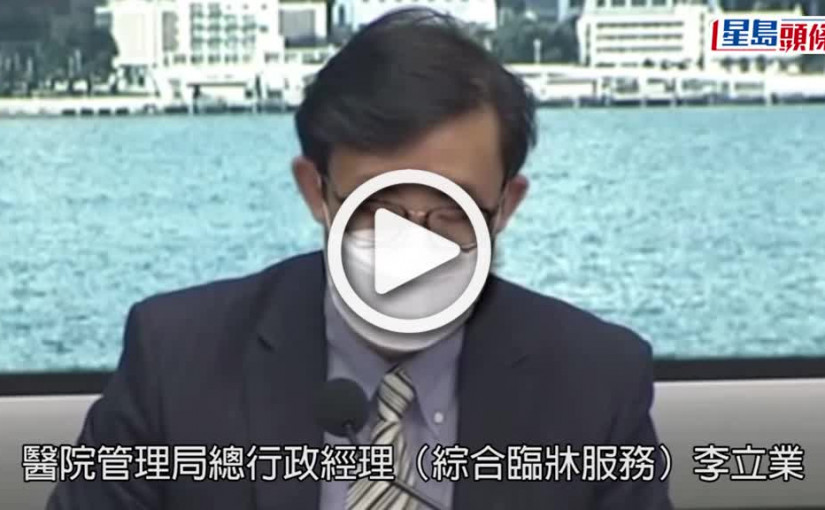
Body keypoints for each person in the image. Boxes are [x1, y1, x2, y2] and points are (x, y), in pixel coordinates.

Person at [48, 8, 673, 510]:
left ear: (505, 206)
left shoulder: (596, 380)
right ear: (315, 192)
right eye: (376, 209)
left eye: (451, 212)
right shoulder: (174, 358)